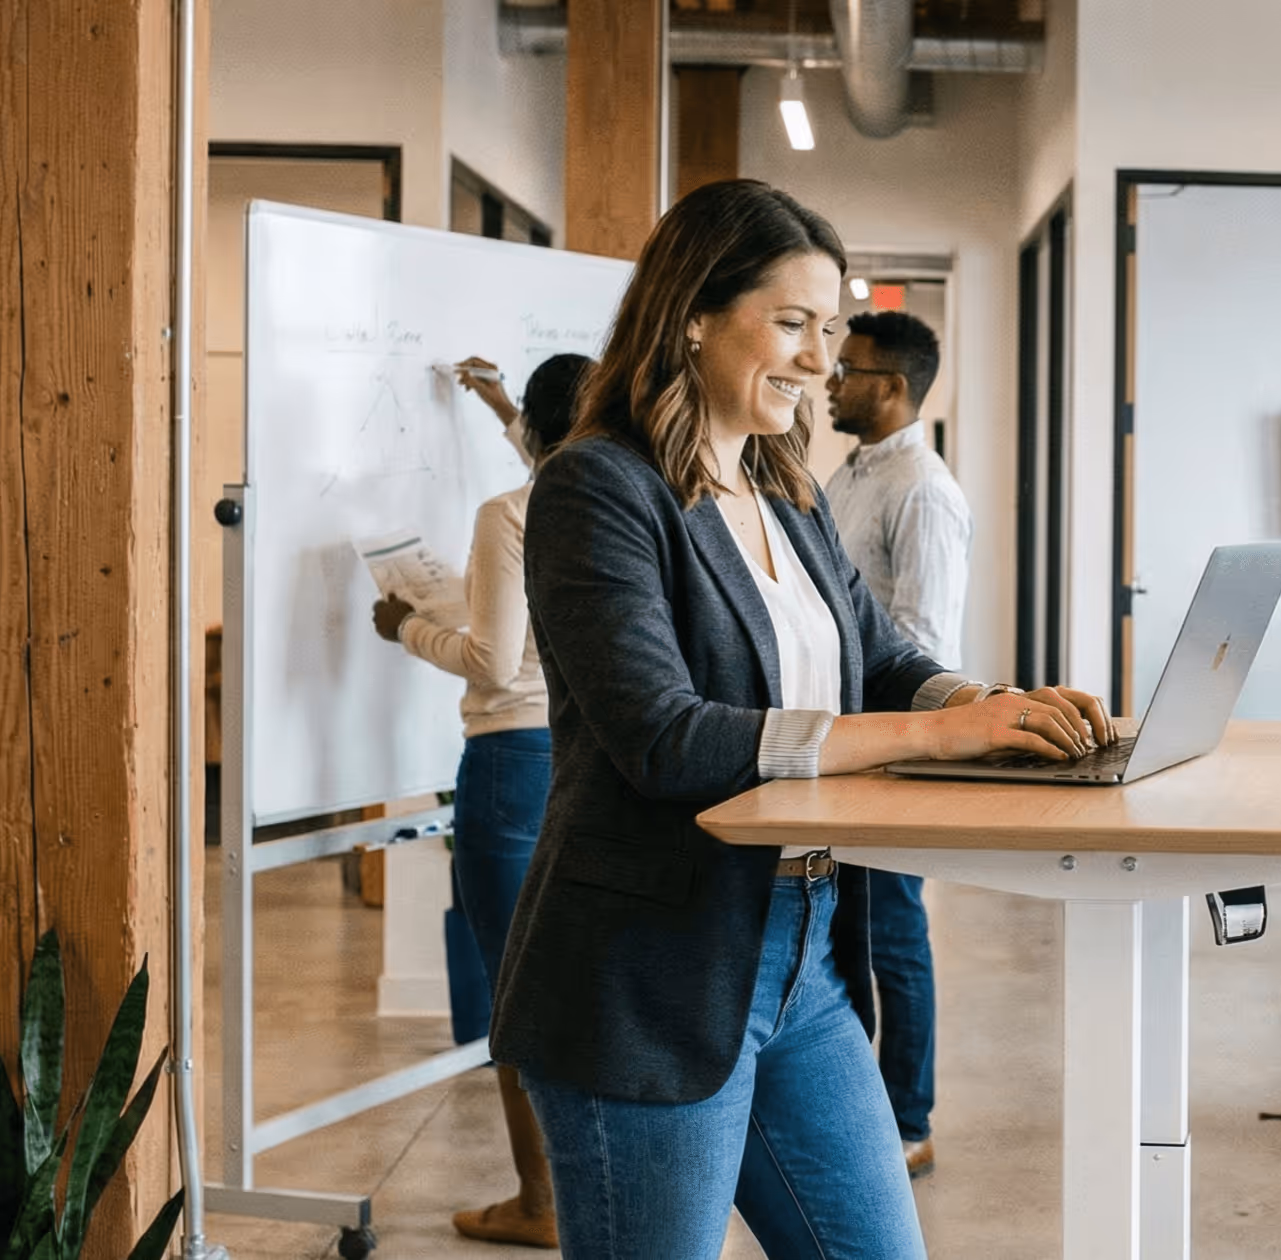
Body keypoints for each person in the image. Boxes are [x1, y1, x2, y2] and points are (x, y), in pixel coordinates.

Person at [492, 178, 1110, 1260]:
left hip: (802, 953)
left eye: (828, 332)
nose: (823, 361)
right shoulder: (599, 489)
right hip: (647, 975)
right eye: (792, 325)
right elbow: (667, 736)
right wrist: (933, 737)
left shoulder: (787, 489)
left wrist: (989, 706)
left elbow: (878, 654)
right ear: (690, 313)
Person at [371, 351, 588, 1249]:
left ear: (535, 433)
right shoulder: (636, 498)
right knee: (578, 986)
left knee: (517, 994)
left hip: (510, 765)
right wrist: (507, 407)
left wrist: (409, 625)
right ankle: (583, 1192)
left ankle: (541, 1203)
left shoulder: (512, 513)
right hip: (591, 765)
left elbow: (495, 664)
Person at [823, 308, 968, 1179]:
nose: (831, 380)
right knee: (851, 934)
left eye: (847, 369)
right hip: (844, 742)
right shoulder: (848, 475)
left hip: (887, 744)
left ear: (893, 387)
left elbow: (919, 640)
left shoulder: (922, 489)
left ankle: (907, 1121)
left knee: (894, 937)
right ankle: (861, 1106)